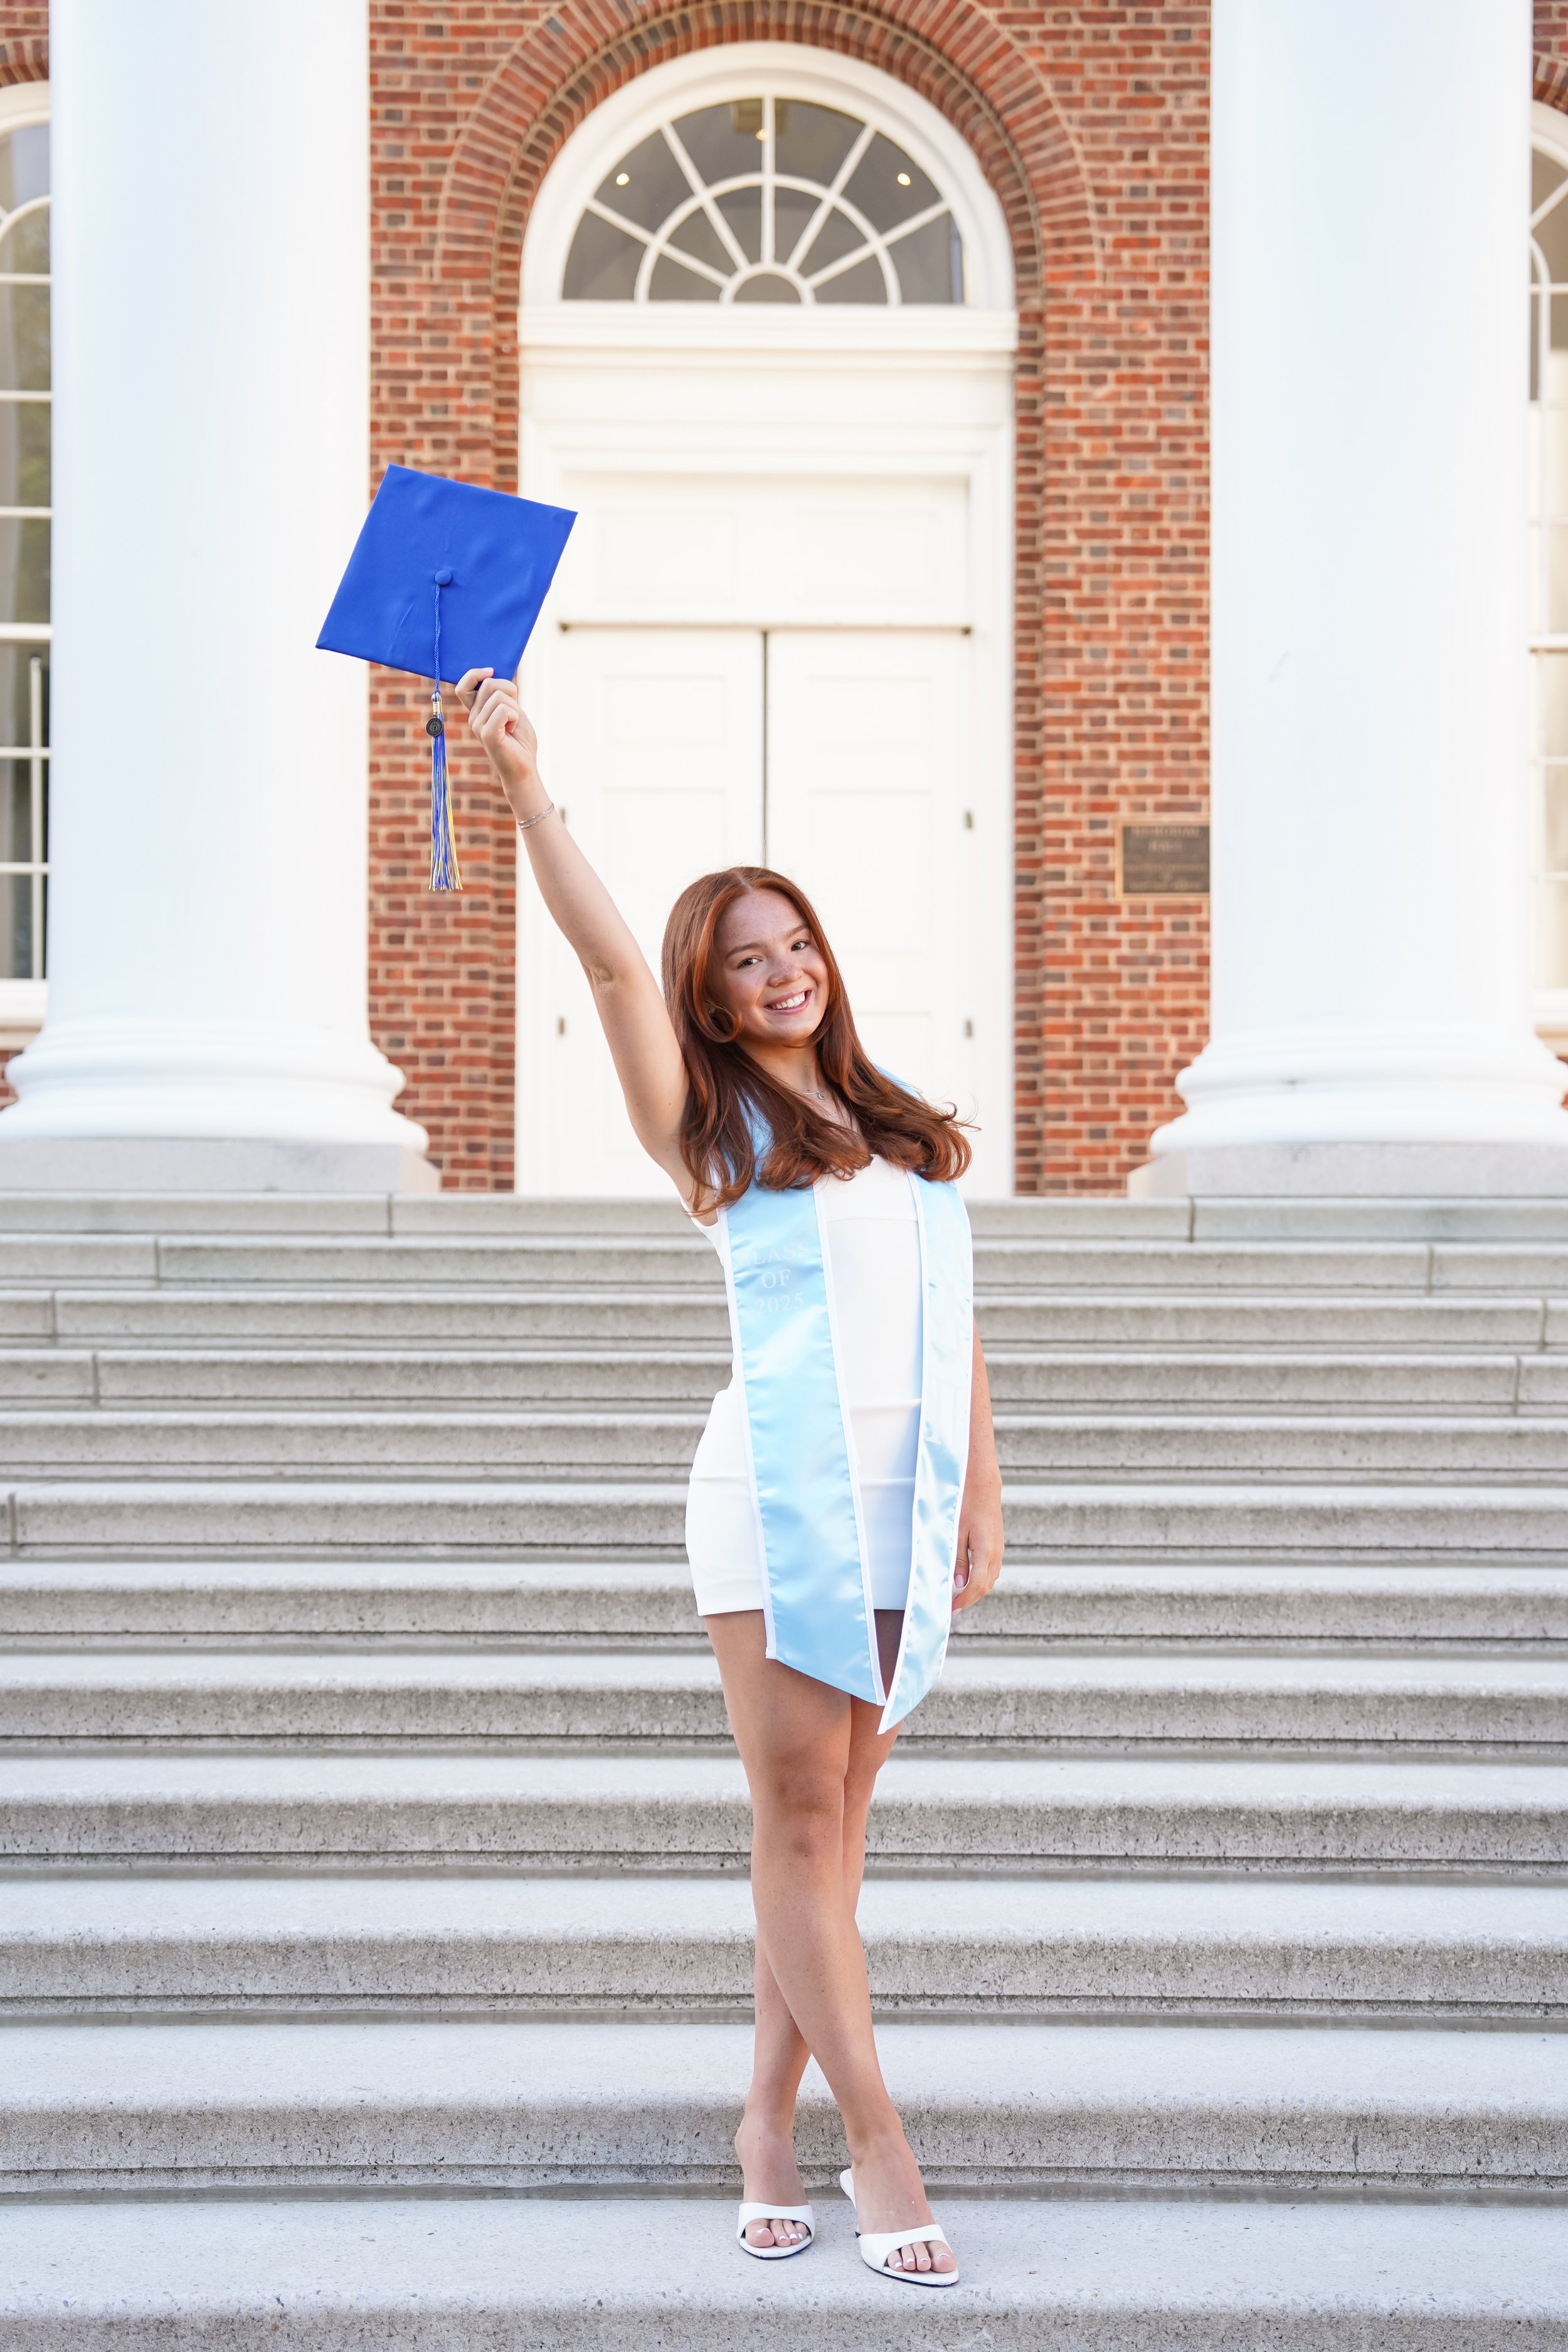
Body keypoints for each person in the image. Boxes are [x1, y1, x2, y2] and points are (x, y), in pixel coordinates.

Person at [457, 666, 1005, 2288]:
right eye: (746, 959)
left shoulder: (899, 1136)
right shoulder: (711, 1132)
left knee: (832, 1841)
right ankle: (877, 2144)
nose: (781, 972)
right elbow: (609, 964)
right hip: (774, 1499)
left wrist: (981, 1494)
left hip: (903, 1502)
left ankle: (765, 2124)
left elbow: (955, 1323)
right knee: (798, 1822)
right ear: (711, 995)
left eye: (795, 943)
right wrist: (526, 787)